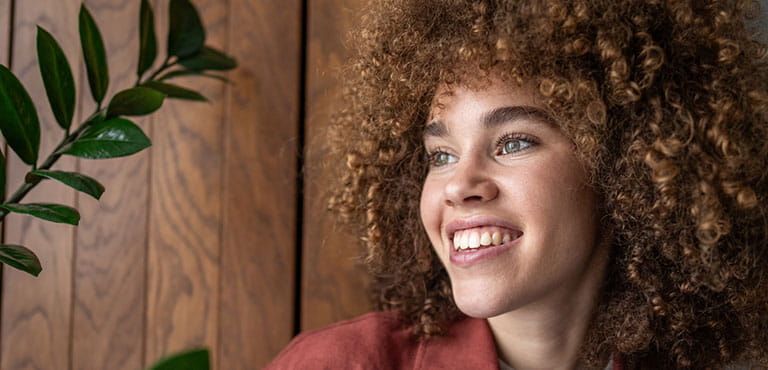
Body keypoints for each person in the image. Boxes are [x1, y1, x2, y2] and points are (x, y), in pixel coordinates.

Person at [268, 0, 768, 368]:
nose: (459, 185)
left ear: (625, 168)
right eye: (441, 155)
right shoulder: (339, 363)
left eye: (513, 143)